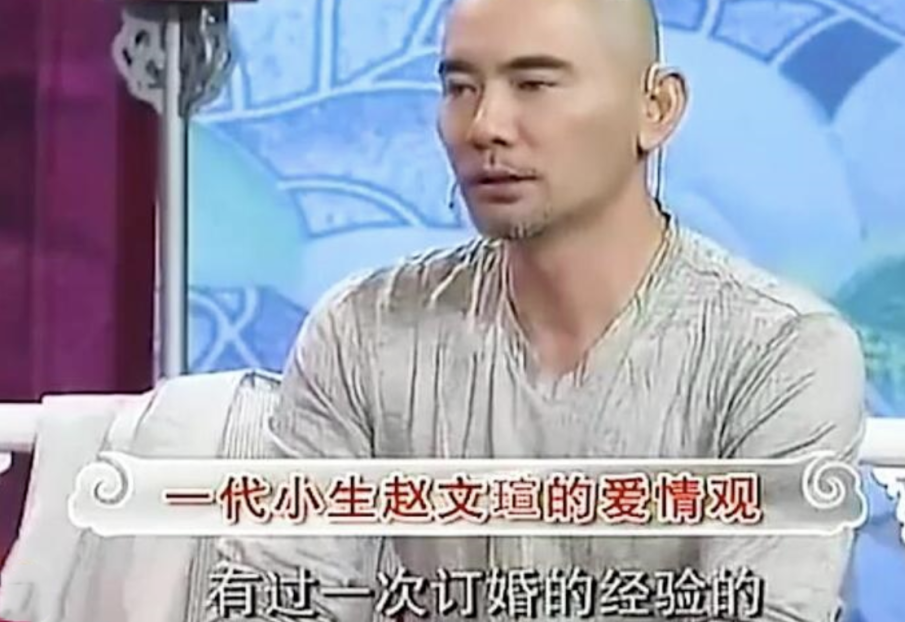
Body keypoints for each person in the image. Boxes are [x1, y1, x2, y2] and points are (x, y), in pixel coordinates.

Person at [211, 0, 867, 620]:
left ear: (656, 108)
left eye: (534, 85)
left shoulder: (780, 353)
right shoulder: (365, 329)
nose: (485, 127)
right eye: (460, 88)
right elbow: (278, 596)